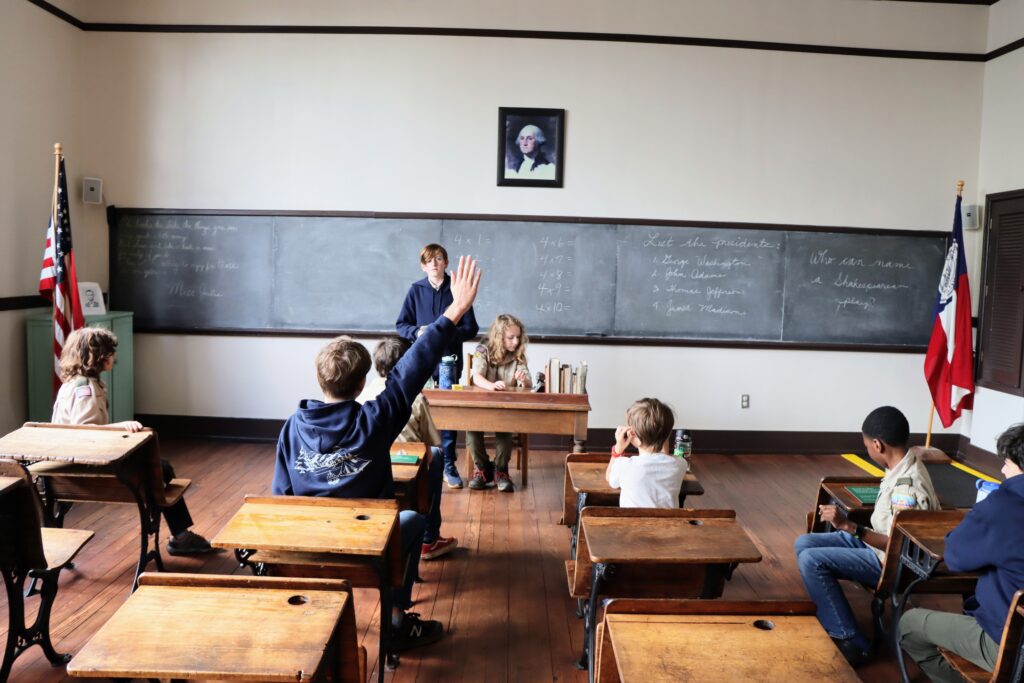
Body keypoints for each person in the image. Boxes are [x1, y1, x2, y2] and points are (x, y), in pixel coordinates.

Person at [274, 255, 481, 652]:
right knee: (415, 520)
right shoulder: (374, 421)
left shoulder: (291, 428)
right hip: (367, 550)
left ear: (320, 378)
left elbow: (282, 499)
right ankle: (397, 621)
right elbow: (412, 370)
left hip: (309, 548)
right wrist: (455, 309)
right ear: (363, 381)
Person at [793, 405, 939, 666]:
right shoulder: (902, 464)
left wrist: (848, 526)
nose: (868, 451)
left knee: (811, 560)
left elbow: (900, 544)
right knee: (804, 543)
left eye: (867, 446)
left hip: (893, 563)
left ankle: (851, 640)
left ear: (877, 445)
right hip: (879, 545)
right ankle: (832, 612)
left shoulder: (907, 487)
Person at [51, 327, 213, 556]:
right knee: (161, 468)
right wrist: (121, 426)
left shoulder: (70, 385)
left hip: (68, 465)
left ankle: (181, 534)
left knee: (161, 468)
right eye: (110, 352)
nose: (114, 357)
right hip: (89, 467)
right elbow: (85, 433)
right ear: (98, 356)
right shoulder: (85, 388)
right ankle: (180, 536)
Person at [898, 423, 1024, 682]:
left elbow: (955, 556)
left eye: (1007, 463)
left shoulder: (1004, 505)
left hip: (1011, 647)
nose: (1002, 470)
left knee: (908, 625)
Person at [366, 336, 459, 561]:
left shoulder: (364, 393)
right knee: (436, 457)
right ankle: (430, 537)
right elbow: (430, 445)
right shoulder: (414, 398)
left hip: (370, 466)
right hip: (406, 466)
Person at [396, 244, 479, 490]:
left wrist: (445, 333)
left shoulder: (457, 290)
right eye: (429, 260)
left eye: (439, 259)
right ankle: (423, 461)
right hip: (421, 363)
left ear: (445, 263)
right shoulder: (415, 290)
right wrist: (418, 332)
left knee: (449, 414)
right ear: (423, 265)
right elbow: (401, 324)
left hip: (449, 363)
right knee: (419, 412)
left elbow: (471, 328)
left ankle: (448, 465)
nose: (434, 263)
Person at [466, 314, 530, 493]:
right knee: (471, 428)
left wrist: (523, 380)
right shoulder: (482, 348)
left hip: (506, 408)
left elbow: (529, 384)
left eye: (518, 337)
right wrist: (492, 386)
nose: (516, 341)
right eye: (511, 337)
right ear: (499, 336)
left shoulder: (518, 354)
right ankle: (483, 468)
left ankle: (501, 470)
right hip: (482, 405)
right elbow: (476, 376)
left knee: (505, 428)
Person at [605, 398, 687, 508]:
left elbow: (610, 478)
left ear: (633, 435)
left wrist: (617, 451)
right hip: (668, 525)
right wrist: (664, 438)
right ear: (668, 435)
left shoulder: (623, 465)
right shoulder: (680, 464)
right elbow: (664, 458)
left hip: (632, 525)